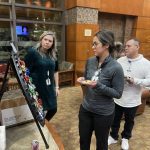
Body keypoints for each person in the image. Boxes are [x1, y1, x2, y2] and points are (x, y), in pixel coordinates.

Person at [77, 30, 124, 150]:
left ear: (106, 45)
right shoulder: (90, 61)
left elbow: (118, 94)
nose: (92, 47)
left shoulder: (116, 67)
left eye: (95, 44)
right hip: (86, 109)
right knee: (83, 141)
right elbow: (89, 80)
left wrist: (98, 86)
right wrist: (84, 81)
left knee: (101, 144)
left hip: (103, 113)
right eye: (92, 44)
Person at [108, 38, 150, 150]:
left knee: (129, 121)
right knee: (115, 119)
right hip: (118, 97)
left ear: (137, 47)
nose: (125, 48)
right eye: (125, 46)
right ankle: (113, 136)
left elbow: (149, 81)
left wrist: (135, 80)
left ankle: (126, 138)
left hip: (133, 100)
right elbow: (113, 74)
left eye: (129, 46)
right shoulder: (120, 60)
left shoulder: (146, 64)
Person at [24, 31, 59, 121]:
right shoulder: (33, 52)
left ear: (53, 43)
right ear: (41, 40)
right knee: (40, 109)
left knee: (53, 109)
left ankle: (44, 123)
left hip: (50, 86)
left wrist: (57, 87)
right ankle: (41, 124)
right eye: (45, 39)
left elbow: (56, 71)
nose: (47, 42)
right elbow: (25, 70)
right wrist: (28, 86)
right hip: (37, 86)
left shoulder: (53, 55)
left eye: (50, 41)